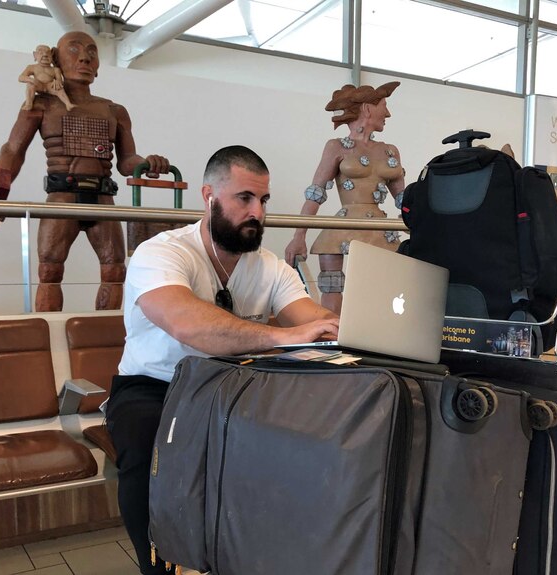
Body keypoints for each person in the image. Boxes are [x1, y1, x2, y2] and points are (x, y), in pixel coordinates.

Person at [106, 145, 339, 574]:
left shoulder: (270, 267)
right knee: (145, 449)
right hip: (156, 387)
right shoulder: (161, 253)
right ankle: (158, 566)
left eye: (264, 200)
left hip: (234, 384)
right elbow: (186, 323)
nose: (258, 212)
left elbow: (315, 321)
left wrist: (357, 327)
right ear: (209, 197)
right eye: (245, 199)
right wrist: (281, 336)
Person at [0, 31, 170, 312]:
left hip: (103, 199)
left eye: (92, 51)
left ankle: (101, 338)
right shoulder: (41, 105)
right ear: (56, 58)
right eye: (75, 49)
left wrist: (148, 163)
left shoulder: (113, 110)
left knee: (115, 271)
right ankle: (48, 336)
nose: (84, 57)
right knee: (50, 272)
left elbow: (127, 160)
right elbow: (12, 150)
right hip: (62, 197)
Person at [284, 81, 406, 315]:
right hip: (342, 226)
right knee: (332, 289)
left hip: (380, 229)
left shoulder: (390, 150)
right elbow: (316, 193)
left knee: (385, 291)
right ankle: (331, 335)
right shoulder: (336, 147)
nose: (387, 113)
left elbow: (404, 199)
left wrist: (417, 224)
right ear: (367, 109)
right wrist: (298, 236)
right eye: (383, 106)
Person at [20, 44, 75, 112]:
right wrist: (31, 80)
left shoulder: (55, 69)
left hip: (50, 86)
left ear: (51, 56)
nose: (45, 55)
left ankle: (68, 104)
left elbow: (59, 79)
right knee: (30, 85)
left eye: (48, 53)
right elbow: (21, 77)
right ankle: (29, 104)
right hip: (38, 85)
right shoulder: (32, 67)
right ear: (35, 55)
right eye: (41, 53)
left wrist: (57, 82)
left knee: (59, 88)